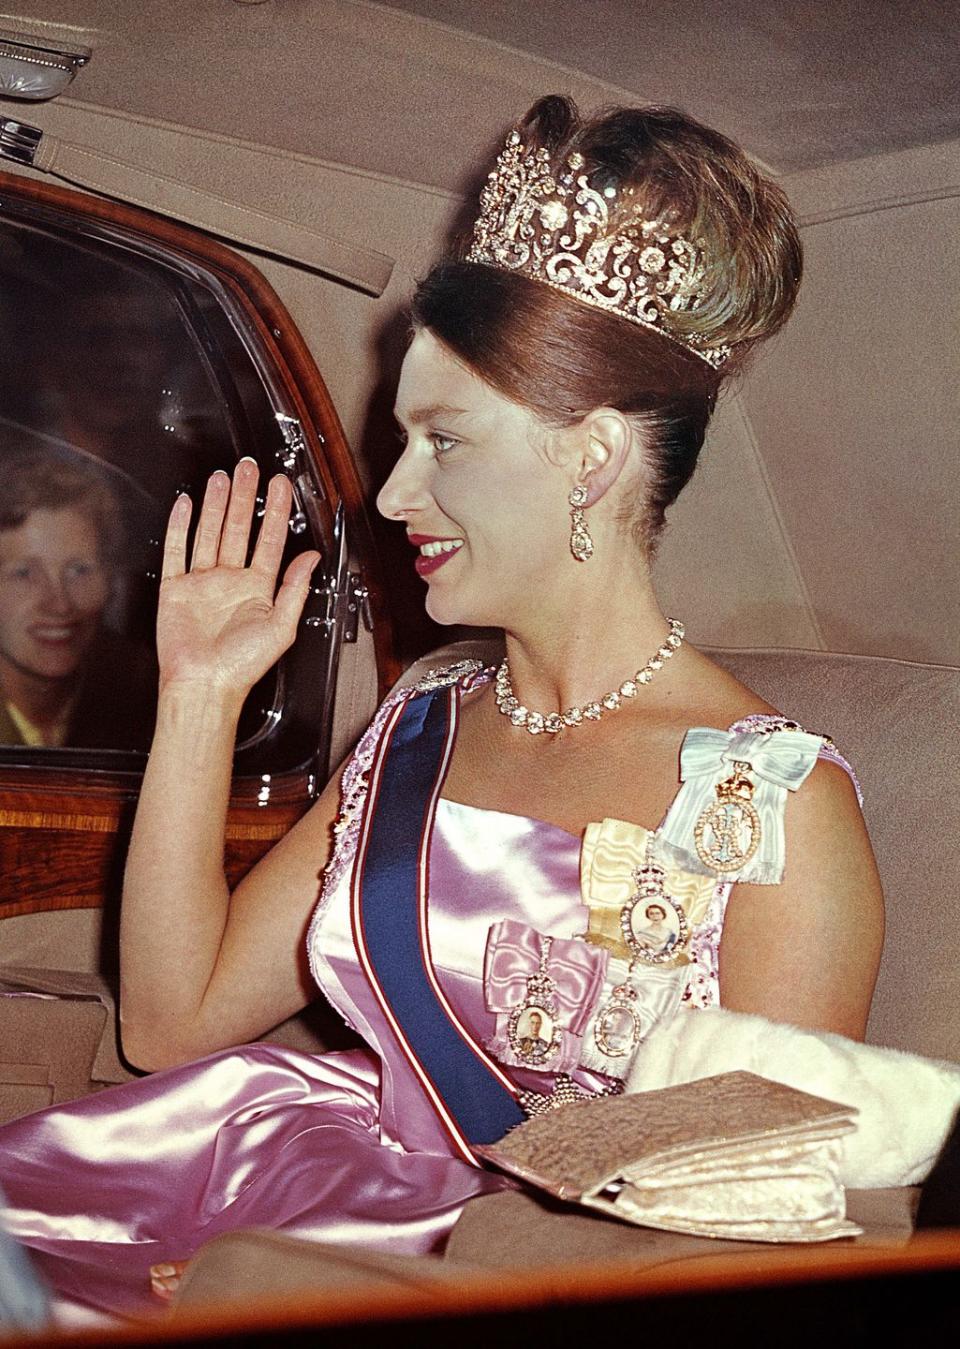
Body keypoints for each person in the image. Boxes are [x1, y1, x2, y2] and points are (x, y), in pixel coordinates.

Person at [0, 96, 884, 1319]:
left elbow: (729, 1192)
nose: (396, 490)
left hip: (500, 1263)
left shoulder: (779, 807)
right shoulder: (423, 719)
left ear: (593, 457)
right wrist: (202, 692)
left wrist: (340, 1258)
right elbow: (169, 1022)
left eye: (445, 441)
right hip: (273, 1173)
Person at [0, 443, 156, 751]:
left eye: (79, 570)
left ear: (111, 580)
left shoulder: (147, 693)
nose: (60, 604)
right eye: (24, 573)